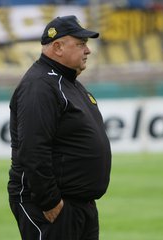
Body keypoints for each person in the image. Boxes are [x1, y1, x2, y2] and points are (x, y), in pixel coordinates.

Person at [8, 15, 112, 240]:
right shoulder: (40, 86)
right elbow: (33, 148)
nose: (88, 50)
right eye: (81, 44)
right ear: (57, 47)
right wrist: (50, 201)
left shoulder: (68, 83)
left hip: (79, 204)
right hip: (52, 206)